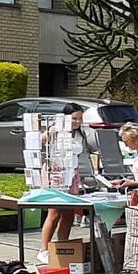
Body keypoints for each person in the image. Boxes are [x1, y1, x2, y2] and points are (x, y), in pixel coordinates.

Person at [37, 103, 99, 264]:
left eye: (80, 119)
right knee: (54, 212)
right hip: (55, 175)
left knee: (69, 213)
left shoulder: (79, 134)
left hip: (72, 175)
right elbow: (40, 145)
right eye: (74, 118)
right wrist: (50, 134)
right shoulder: (56, 130)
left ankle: (61, 245)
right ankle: (43, 249)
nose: (77, 122)